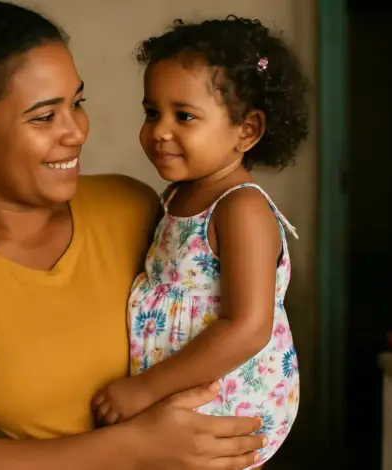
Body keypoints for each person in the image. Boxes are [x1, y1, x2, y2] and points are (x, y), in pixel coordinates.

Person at [0, 1, 266, 469]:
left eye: (77, 103)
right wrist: (136, 446)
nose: (76, 132)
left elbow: (229, 337)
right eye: (43, 117)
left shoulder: (134, 208)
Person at [90, 16, 310, 468]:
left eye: (184, 116)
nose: (159, 131)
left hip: (225, 400)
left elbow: (247, 327)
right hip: (177, 388)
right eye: (152, 112)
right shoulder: (178, 194)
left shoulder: (240, 208)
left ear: (247, 130)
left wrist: (145, 388)